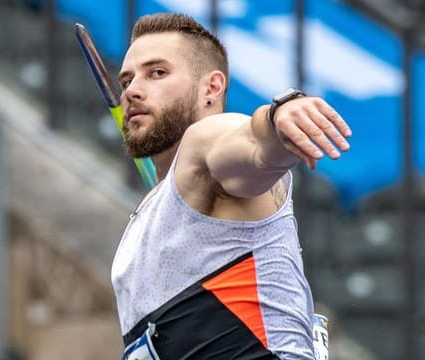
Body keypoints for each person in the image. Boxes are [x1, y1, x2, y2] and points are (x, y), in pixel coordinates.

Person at [110, 12, 351, 360]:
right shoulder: (152, 208)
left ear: (212, 87)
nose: (132, 90)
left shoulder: (205, 143)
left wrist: (277, 118)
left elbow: (252, 146)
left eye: (157, 73)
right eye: (127, 80)